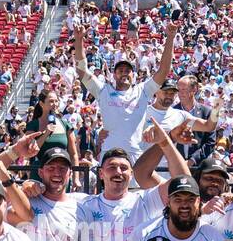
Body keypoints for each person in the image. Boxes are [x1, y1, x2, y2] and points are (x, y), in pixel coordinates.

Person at [73, 16, 179, 160]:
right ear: (114, 75)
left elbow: (164, 70)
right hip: (109, 154)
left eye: (127, 71)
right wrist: (79, 41)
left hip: (135, 154)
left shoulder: (143, 91)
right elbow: (81, 70)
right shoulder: (103, 90)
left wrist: (171, 38)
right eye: (120, 70)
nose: (124, 73)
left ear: (133, 75)